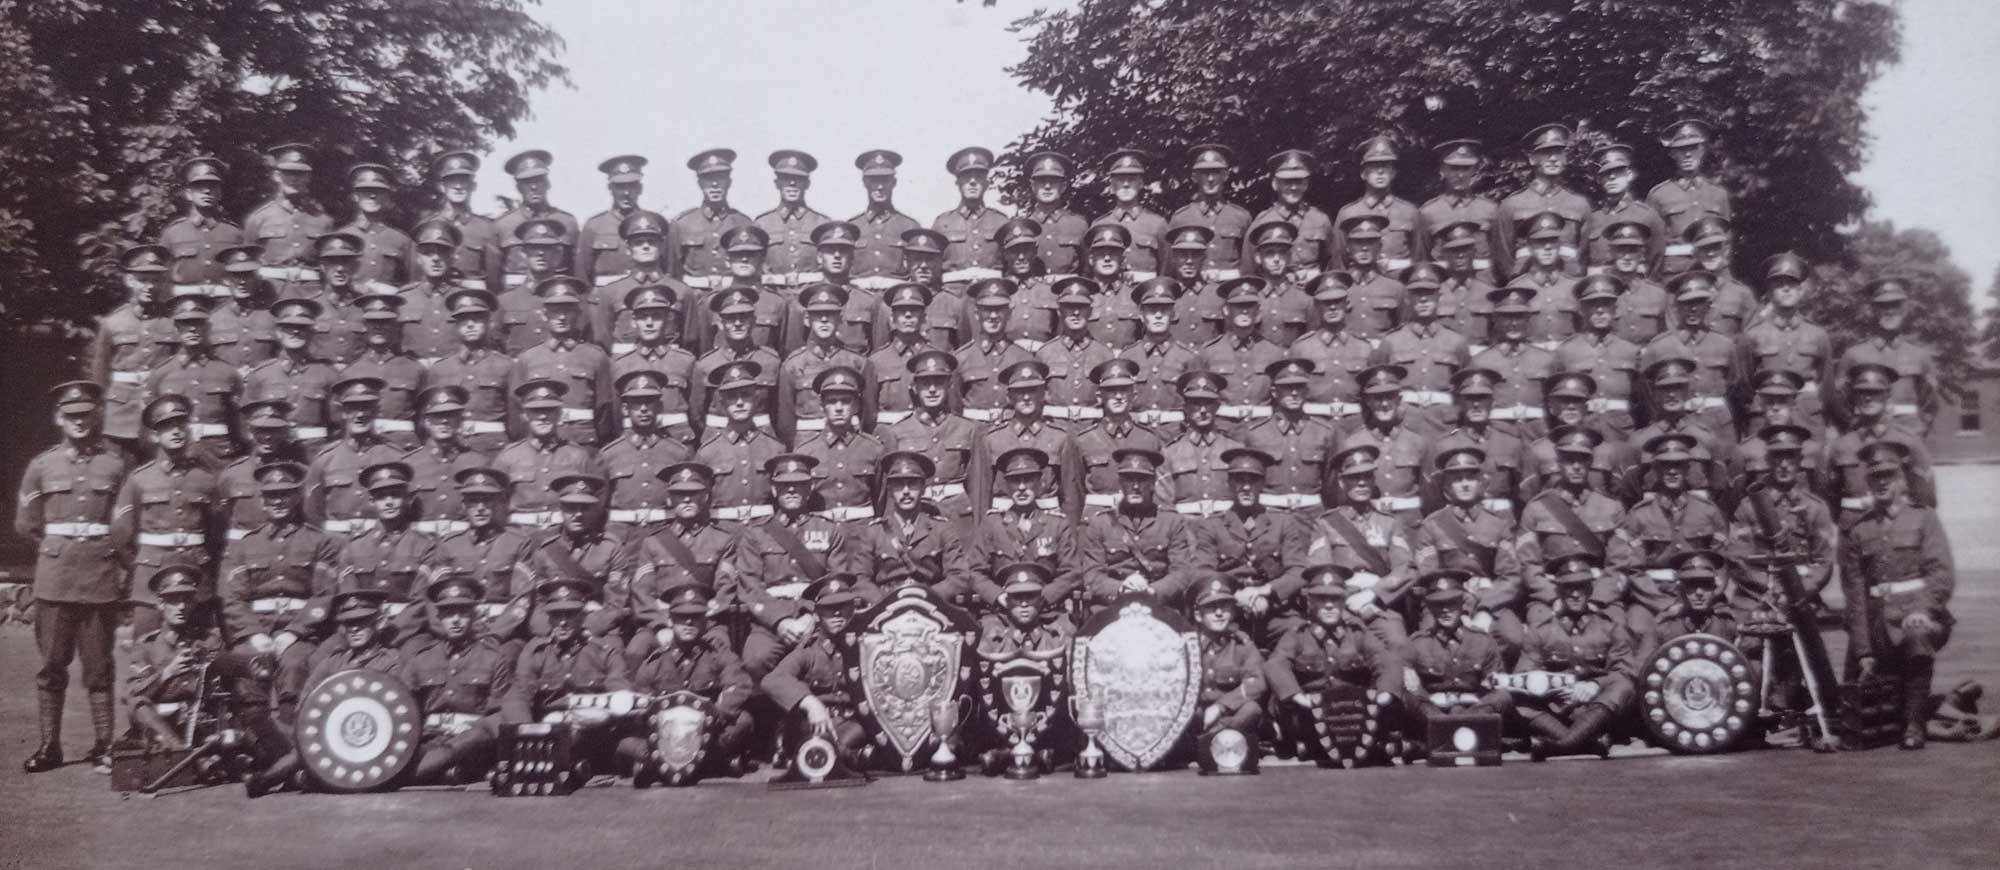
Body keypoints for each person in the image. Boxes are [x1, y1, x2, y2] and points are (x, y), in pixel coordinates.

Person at [16, 382, 131, 773]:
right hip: (55, 578)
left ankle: (104, 745)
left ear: (96, 416)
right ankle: (50, 745)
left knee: (99, 666)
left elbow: (124, 521)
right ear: (58, 419)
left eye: (86, 415)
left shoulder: (115, 466)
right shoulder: (42, 466)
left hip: (99, 575)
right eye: (72, 416)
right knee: (51, 665)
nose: (80, 422)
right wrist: (57, 550)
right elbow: (28, 524)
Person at [1839, 441, 1956, 750]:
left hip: (1920, 617)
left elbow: (1941, 575)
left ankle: (1914, 723)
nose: (1880, 482)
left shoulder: (1924, 518)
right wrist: (1862, 649)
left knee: (1917, 635)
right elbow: (1854, 595)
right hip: (1878, 623)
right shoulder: (1859, 530)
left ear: (1901, 478)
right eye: (1874, 476)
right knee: (1853, 706)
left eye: (1888, 475)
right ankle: (1901, 706)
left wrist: (1924, 609)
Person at [243, 588, 405, 797]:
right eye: (348, 623)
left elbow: (396, 712)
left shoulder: (392, 662)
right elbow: (306, 704)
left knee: (307, 753)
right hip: (327, 737)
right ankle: (298, 775)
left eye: (362, 622)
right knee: (267, 724)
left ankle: (271, 779)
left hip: (372, 741)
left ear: (378, 623)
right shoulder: (332, 663)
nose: (354, 629)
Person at [217, 460, 338, 714]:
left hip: (300, 632)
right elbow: (232, 599)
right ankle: (252, 738)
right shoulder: (245, 545)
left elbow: (324, 595)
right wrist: (253, 634)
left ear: (296, 498)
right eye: (271, 496)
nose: (278, 501)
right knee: (245, 666)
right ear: (262, 501)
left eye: (284, 494)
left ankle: (290, 734)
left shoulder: (319, 541)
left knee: (295, 665)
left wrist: (294, 632)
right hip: (257, 630)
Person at [1263, 564, 1406, 763]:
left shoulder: (1357, 633)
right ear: (1310, 601)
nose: (1329, 605)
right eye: (1322, 599)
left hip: (1352, 717)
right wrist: (1297, 696)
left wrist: (1384, 694)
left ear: (1344, 600)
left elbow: (1386, 662)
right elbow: (1276, 664)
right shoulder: (1298, 635)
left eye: (1335, 598)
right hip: (1311, 715)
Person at [617, 583, 757, 778]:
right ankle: (713, 763)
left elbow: (739, 684)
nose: (689, 622)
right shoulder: (654, 663)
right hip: (666, 734)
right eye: (682, 617)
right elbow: (641, 707)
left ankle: (661, 766)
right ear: (670, 620)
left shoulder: (718, 655)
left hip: (707, 731)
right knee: (625, 742)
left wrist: (711, 716)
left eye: (697, 617)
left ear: (706, 620)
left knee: (744, 721)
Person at [735, 454, 857, 677]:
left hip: (820, 619)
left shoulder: (829, 530)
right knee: (755, 659)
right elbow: (750, 588)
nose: (791, 490)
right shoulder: (756, 534)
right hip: (770, 623)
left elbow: (838, 582)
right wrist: (780, 621)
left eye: (798, 485)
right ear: (774, 490)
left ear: (809, 488)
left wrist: (812, 616)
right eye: (784, 485)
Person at [114, 395, 223, 642]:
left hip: (197, 579)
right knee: (147, 651)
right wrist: (141, 565)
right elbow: (121, 535)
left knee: (199, 651)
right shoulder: (139, 479)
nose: (176, 431)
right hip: (150, 582)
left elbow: (217, 534)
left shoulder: (205, 479)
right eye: (167, 426)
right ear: (154, 435)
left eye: (181, 424)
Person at [1514, 551, 1641, 761]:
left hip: (1597, 710)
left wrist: (1594, 685)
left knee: (1624, 688)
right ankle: (1588, 743)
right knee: (1516, 697)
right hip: (1555, 710)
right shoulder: (1540, 631)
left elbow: (1625, 672)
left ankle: (1562, 745)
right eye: (1568, 588)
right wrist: (1555, 689)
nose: (1575, 594)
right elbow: (1523, 675)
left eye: (1581, 587)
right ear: (1558, 591)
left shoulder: (1610, 628)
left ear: (1590, 589)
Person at [1193, 447, 1314, 647]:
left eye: (1253, 481)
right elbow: (1202, 572)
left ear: (1263, 484)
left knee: (1303, 639)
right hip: (1226, 612)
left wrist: (1266, 591)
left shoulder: (1283, 522)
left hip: (1275, 612)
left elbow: (1298, 569)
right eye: (1239, 480)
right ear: (1229, 483)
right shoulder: (1211, 525)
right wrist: (1234, 597)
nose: (1246, 487)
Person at [1611, 433, 1731, 633]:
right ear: (1656, 469)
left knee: (1723, 627)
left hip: (1702, 594)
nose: (1672, 471)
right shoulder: (1639, 514)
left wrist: (1707, 597)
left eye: (1679, 465)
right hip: (1654, 596)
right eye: (1665, 466)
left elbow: (1722, 564)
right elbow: (1634, 570)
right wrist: (1665, 605)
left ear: (1687, 468)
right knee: (1638, 628)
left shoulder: (1708, 511)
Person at [401, 575, 514, 785]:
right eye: (448, 613)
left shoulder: (492, 658)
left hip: (472, 742)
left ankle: (412, 776)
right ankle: (443, 773)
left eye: (462, 613)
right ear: (439, 617)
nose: (455, 620)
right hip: (430, 739)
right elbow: (403, 706)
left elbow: (499, 713)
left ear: (473, 616)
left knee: (473, 741)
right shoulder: (421, 659)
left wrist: (473, 730)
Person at [761, 575, 878, 771]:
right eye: (829, 609)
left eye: (844, 606)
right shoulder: (808, 651)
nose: (838, 613)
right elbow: (772, 680)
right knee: (821, 741)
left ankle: (834, 756)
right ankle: (852, 758)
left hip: (853, 724)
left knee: (858, 732)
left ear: (854, 609)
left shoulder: (867, 648)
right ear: (816, 615)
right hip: (815, 724)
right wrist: (810, 703)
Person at [1412, 446, 1525, 648]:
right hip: (1443, 600)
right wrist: (1458, 603)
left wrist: (1485, 608)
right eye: (1457, 479)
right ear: (1446, 486)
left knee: (1513, 638)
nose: (1464, 484)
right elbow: (1427, 574)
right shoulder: (1431, 525)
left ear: (1480, 483)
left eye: (1470, 478)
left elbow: (1511, 576)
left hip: (1490, 598)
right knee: (1432, 642)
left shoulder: (1498, 525)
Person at [1305, 445, 1416, 647]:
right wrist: (1351, 594)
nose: (1361, 482)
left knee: (1399, 643)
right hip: (1340, 606)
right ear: (1341, 482)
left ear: (1374, 480)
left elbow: (1406, 569)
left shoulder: (1389, 523)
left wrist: (1373, 594)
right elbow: (1319, 573)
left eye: (1367, 476)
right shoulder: (1326, 524)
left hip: (1380, 604)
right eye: (1354, 477)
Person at [1515, 425, 1626, 624]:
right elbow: (1528, 565)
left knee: (1618, 628)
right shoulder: (1536, 509)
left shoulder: (1611, 508)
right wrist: (1553, 598)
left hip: (1598, 593)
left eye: (1582, 459)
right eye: (1569, 459)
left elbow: (1620, 564)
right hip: (1552, 594)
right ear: (1558, 462)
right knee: (1541, 629)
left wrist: (1598, 599)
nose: (1576, 466)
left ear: (1591, 461)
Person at [956, 448, 1084, 611]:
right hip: (1002, 612)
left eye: (1029, 479)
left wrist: (1043, 597)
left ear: (1040, 482)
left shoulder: (1057, 524)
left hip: (1047, 611)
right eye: (1015, 481)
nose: (1022, 487)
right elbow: (974, 571)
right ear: (1007, 485)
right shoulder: (992, 524)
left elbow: (1072, 573)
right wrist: (997, 596)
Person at [125, 565, 231, 751]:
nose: (181, 607)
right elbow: (134, 692)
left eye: (187, 600)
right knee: (137, 704)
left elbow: (225, 688)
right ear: (160, 603)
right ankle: (180, 753)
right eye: (173, 601)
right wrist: (167, 672)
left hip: (200, 723)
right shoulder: (146, 645)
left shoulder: (210, 641)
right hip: (160, 725)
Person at [1079, 448, 1199, 609]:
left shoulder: (1171, 521)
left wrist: (1153, 591)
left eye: (1142, 480)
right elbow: (1092, 575)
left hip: (1159, 604)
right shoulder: (1100, 523)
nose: (1135, 486)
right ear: (1120, 482)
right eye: (1129, 479)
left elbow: (1182, 572)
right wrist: (1120, 588)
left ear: (1153, 483)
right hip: (1112, 605)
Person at [1402, 570, 1514, 738]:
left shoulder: (1482, 640)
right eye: (1439, 604)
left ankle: (1451, 730)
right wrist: (1432, 706)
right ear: (1430, 607)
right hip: (1434, 713)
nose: (1445, 610)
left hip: (1475, 710)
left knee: (1503, 695)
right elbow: (1413, 691)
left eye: (1451, 603)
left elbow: (1495, 685)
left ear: (1462, 604)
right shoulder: (1417, 643)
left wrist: (1470, 708)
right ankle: (1451, 730)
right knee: (1410, 697)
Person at [1825, 363, 1935, 527]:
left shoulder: (1909, 441)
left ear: (1887, 395)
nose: (1868, 398)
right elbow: (1830, 499)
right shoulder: (1841, 446)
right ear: (1854, 396)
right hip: (1853, 529)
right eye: (1862, 392)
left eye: (1875, 392)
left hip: (1899, 530)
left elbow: (1926, 499)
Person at [843, 452, 963, 600]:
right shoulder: (875, 531)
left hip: (931, 603)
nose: (906, 491)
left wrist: (930, 596)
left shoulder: (942, 529)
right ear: (890, 489)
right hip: (886, 605)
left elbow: (960, 575)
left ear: (923, 487)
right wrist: (882, 601)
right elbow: (859, 578)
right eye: (899, 485)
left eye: (912, 484)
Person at [491, 377, 605, 533]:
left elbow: (596, 500)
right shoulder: (508, 457)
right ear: (524, 415)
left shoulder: (578, 456)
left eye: (549, 410)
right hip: (520, 537)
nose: (543, 417)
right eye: (536, 411)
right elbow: (495, 503)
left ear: (559, 414)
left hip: (563, 539)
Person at [91, 245, 177, 450]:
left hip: (160, 409)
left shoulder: (173, 323)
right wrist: (98, 415)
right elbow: (99, 375)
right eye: (142, 280)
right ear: (129, 280)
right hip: (120, 415)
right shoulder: (113, 323)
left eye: (155, 280)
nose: (149, 286)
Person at [145, 295, 244, 470]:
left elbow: (240, 425)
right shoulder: (160, 374)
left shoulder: (227, 372)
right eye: (185, 323)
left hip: (220, 455)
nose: (192, 329)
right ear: (176, 328)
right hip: (177, 457)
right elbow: (148, 428)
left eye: (198, 323)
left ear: (208, 327)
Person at [1737, 253, 1832, 435]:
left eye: (1792, 285)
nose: (1786, 289)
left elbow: (1826, 386)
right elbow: (1745, 386)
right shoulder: (1752, 335)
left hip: (1807, 417)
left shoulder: (1818, 335)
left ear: (1800, 290)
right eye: (1779, 285)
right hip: (1766, 417)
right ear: (1770, 292)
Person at [512, 277, 613, 448]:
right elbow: (517, 410)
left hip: (583, 442)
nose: (561, 317)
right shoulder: (527, 359)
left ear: (579, 314)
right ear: (544, 314)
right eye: (554, 310)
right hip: (539, 445)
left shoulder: (595, 357)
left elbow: (605, 410)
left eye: (568, 310)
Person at [880, 349, 978, 523]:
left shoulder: (968, 429)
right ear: (915, 388)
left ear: (950, 385)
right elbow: (890, 491)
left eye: (939, 382)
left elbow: (977, 486)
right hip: (917, 515)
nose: (932, 389)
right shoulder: (896, 432)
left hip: (959, 515)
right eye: (925, 383)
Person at [1830, 277, 1938, 435]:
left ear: (1905, 309)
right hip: (1865, 439)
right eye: (1883, 306)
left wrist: (1918, 432)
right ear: (1873, 310)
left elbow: (1930, 405)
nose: (1890, 311)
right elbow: (1839, 404)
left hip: (1908, 436)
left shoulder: (1920, 356)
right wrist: (1855, 432)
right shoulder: (1853, 355)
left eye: (1895, 305)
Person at [776, 286, 877, 444]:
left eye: (830, 314)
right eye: (817, 315)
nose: (824, 320)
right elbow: (785, 423)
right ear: (807, 320)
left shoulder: (859, 363)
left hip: (850, 443)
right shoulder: (792, 365)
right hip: (807, 446)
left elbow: (868, 417)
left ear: (840, 318)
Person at [1378, 264, 1471, 438]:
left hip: (1445, 428)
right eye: (1417, 293)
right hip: (1404, 426)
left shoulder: (1456, 342)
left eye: (1429, 293)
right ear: (1407, 298)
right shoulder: (1391, 342)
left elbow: (1467, 390)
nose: (1423, 299)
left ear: (1439, 296)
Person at [1240, 360, 1339, 513]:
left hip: (1312, 516)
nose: (1294, 393)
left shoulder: (1324, 432)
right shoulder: (1255, 434)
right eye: (1287, 388)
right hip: (1270, 515)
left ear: (1306, 391)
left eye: (1299, 387)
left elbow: (1331, 485)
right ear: (1274, 392)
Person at [1337, 365, 1430, 531]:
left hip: (1410, 526)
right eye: (1377, 398)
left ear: (1399, 399)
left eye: (1390, 397)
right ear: (1367, 401)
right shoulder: (1353, 443)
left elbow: (1430, 496)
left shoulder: (1417, 442)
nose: (1385, 404)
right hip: (1369, 526)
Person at [1186, 578, 1268, 763]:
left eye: (1224, 607)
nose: (1218, 613)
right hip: (1196, 715)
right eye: (1211, 608)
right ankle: (1213, 744)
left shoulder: (1242, 645)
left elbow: (1257, 682)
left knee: (1252, 709)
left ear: (1232, 612)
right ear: (1198, 615)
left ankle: (1205, 743)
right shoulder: (1186, 646)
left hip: (1229, 714)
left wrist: (1220, 707)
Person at [1493, 124, 1588, 281]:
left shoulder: (1579, 205)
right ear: (1532, 158)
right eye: (1545, 153)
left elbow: (1583, 257)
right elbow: (1504, 261)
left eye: (1558, 152)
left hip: (1567, 292)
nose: (1552, 158)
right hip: (1525, 295)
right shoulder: (1512, 205)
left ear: (1565, 158)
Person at [694, 361, 787, 521]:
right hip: (724, 534)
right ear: (722, 404)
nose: (739, 402)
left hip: (765, 533)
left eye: (745, 394)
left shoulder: (775, 449)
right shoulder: (707, 452)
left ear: (756, 400)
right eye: (731, 397)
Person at [609, 287, 702, 446]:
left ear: (668, 319)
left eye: (657, 316)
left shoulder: (686, 361)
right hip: (634, 445)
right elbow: (615, 417)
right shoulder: (619, 365)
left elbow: (697, 415)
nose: (649, 323)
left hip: (679, 441)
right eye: (643, 318)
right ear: (633, 321)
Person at [1554, 275, 1643, 440]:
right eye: (1593, 305)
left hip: (1621, 432)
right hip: (1581, 433)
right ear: (1581, 309)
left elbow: (1642, 402)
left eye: (1606, 304)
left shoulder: (1630, 351)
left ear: (1615, 309)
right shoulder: (1566, 351)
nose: (1600, 310)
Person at [1196, 278, 1287, 437]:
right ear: (1226, 310)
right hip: (1223, 431)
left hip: (1263, 432)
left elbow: (1280, 401)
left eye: (1249, 306)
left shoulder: (1274, 353)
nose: (1244, 311)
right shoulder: (1209, 352)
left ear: (1258, 310)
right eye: (1238, 306)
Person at [241, 143, 333, 299]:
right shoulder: (259, 219)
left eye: (300, 173)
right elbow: (246, 265)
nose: (294, 179)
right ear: (277, 176)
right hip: (270, 296)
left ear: (308, 177)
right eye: (288, 173)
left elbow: (331, 266)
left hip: (312, 296)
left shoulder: (323, 221)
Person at [601, 213, 699, 356]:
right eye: (639, 242)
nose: (646, 246)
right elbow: (602, 342)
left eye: (652, 242)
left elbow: (690, 341)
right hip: (624, 370)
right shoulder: (611, 292)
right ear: (628, 248)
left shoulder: (682, 291)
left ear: (661, 246)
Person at [1288, 273, 1374, 434]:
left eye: (1337, 301)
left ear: (1346, 303)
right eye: (1326, 303)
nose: (1333, 307)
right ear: (1316, 306)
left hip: (1355, 427)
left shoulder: (1363, 347)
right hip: (1314, 427)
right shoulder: (1301, 348)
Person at [339, 292, 426, 450]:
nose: (378, 326)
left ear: (394, 325)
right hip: (364, 448)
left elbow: (424, 418)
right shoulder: (350, 372)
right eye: (373, 321)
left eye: (385, 321)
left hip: (405, 448)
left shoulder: (414, 369)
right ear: (365, 326)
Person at [1470, 287, 1557, 442]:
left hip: (1538, 435)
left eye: (1519, 317)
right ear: (1495, 320)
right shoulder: (1481, 361)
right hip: (1498, 436)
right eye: (1507, 317)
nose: (1514, 323)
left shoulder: (1546, 360)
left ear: (1528, 319)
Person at [1118, 278, 1202, 436]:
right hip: (1136, 433)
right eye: (1151, 310)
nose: (1158, 315)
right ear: (1141, 315)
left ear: (1173, 314)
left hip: (1175, 434)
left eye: (1164, 310)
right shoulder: (1128, 356)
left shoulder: (1188, 358)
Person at [1646, 119, 1731, 274]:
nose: (1687, 154)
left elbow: (1726, 243)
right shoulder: (1658, 195)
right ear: (1672, 153)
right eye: (1681, 149)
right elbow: (1653, 248)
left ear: (1703, 150)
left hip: (1712, 273)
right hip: (1675, 275)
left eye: (1693, 148)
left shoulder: (1718, 194)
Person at [1160, 371, 1247, 518]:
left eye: (1208, 403)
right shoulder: (1170, 453)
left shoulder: (1235, 450)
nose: (1203, 410)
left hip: (1225, 529)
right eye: (1196, 403)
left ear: (1217, 407)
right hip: (1185, 529)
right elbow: (1165, 506)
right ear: (1185, 408)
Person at [1333, 136, 1425, 273]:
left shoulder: (1409, 212)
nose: (1380, 171)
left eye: (1385, 166)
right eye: (1374, 167)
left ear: (1393, 172)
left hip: (1399, 289)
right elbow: (1339, 263)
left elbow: (1419, 260)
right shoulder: (1348, 213)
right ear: (1363, 174)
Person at [492, 149, 579, 292]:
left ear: (548, 184)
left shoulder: (567, 222)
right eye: (527, 182)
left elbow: (576, 272)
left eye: (539, 180)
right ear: (518, 187)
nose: (533, 187)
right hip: (515, 302)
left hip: (558, 299)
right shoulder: (503, 225)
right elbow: (493, 279)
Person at [418, 150, 503, 295]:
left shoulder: (487, 229)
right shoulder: (427, 226)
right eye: (452, 181)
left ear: (473, 186)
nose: (458, 186)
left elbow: (494, 284)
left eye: (463, 181)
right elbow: (418, 279)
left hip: (474, 303)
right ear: (441, 186)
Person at [160, 156, 245, 298]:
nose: (207, 191)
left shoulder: (234, 233)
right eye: (199, 186)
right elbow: (161, 278)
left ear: (220, 193)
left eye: (212, 186)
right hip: (184, 305)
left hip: (224, 305)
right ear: (188, 194)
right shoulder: (172, 233)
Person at [672, 148, 754, 288]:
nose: (715, 184)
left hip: (733, 300)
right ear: (699, 183)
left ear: (729, 181)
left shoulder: (744, 223)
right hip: (695, 300)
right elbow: (672, 273)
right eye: (708, 179)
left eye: (720, 177)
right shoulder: (682, 224)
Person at [1419, 140, 1498, 283]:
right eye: (1454, 168)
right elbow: (1422, 258)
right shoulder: (1428, 212)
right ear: (1442, 170)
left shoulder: (1490, 210)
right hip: (1444, 288)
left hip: (1482, 286)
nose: (1460, 175)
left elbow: (1499, 255)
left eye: (1466, 168)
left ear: (1474, 170)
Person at [1171, 144, 1253, 275]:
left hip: (1230, 291)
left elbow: (1249, 264)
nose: (1210, 179)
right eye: (1204, 173)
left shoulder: (1241, 217)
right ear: (1194, 176)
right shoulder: (1181, 218)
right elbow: (1173, 264)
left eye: (1216, 172)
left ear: (1225, 175)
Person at [1583, 144, 1666, 273]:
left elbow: (1657, 261)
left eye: (1618, 172)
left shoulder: (1647, 216)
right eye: (1606, 173)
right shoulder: (1592, 219)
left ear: (1629, 175)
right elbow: (1583, 261)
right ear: (1599, 179)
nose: (1611, 177)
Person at [932, 147, 1009, 286]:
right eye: (966, 177)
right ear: (958, 183)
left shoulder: (1001, 221)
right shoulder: (942, 223)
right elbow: (933, 270)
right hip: (953, 298)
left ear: (986, 183)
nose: (972, 182)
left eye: (979, 177)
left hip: (992, 298)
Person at [1250, 149, 1334, 277]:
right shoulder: (1263, 221)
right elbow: (1250, 268)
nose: (1293, 187)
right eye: (1287, 182)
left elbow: (1331, 263)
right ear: (1275, 184)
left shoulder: (1320, 220)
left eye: (1298, 181)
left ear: (1306, 184)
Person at [335, 163, 416, 289]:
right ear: (355, 196)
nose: (372, 196)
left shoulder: (402, 240)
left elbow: (413, 286)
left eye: (379, 191)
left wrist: (395, 291)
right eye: (365, 191)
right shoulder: (342, 237)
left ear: (387, 196)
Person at [755, 149, 830, 282]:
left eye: (798, 179)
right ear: (777, 183)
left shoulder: (821, 223)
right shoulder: (762, 224)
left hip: (810, 296)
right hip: (774, 293)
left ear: (807, 184)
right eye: (786, 178)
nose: (792, 183)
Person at [847, 149, 920, 284]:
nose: (880, 186)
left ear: (894, 182)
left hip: (895, 300)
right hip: (859, 299)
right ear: (865, 182)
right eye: (874, 180)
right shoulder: (852, 227)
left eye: (885, 180)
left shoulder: (910, 227)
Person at [577, 154, 649, 287]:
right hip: (605, 302)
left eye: (631, 186)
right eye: (620, 186)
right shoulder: (594, 226)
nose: (626, 193)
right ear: (610, 188)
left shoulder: (652, 223)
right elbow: (582, 276)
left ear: (640, 188)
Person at [1092, 149, 1167, 276]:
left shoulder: (1158, 224)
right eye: (1120, 179)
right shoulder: (1099, 225)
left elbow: (1166, 269)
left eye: (1131, 179)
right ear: (1112, 185)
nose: (1126, 184)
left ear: (1141, 183)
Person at [1336, 216, 1406, 342]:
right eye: (1358, 242)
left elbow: (1403, 332)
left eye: (1370, 242)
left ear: (1380, 246)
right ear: (1348, 247)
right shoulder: (1338, 287)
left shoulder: (1395, 288)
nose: (1364, 248)